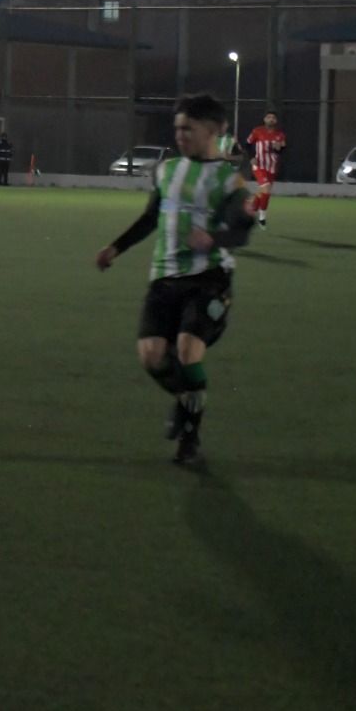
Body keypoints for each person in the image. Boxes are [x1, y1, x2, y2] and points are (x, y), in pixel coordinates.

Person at [94, 92, 255, 467]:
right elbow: (151, 218)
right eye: (177, 128)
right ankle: (187, 401)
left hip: (210, 279)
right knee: (151, 355)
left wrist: (212, 238)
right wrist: (115, 248)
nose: (180, 135)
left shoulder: (230, 181)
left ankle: (190, 440)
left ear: (213, 130)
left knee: (186, 349)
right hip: (164, 278)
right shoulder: (166, 171)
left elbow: (242, 232)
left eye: (189, 129)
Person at [244, 110, 286, 230]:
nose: (271, 119)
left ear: (276, 121)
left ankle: (249, 213)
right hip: (259, 165)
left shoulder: (280, 135)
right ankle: (262, 218)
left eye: (273, 117)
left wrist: (278, 149)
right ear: (265, 120)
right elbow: (247, 144)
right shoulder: (257, 131)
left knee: (261, 192)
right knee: (266, 189)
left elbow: (282, 150)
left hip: (272, 167)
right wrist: (252, 157)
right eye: (269, 117)